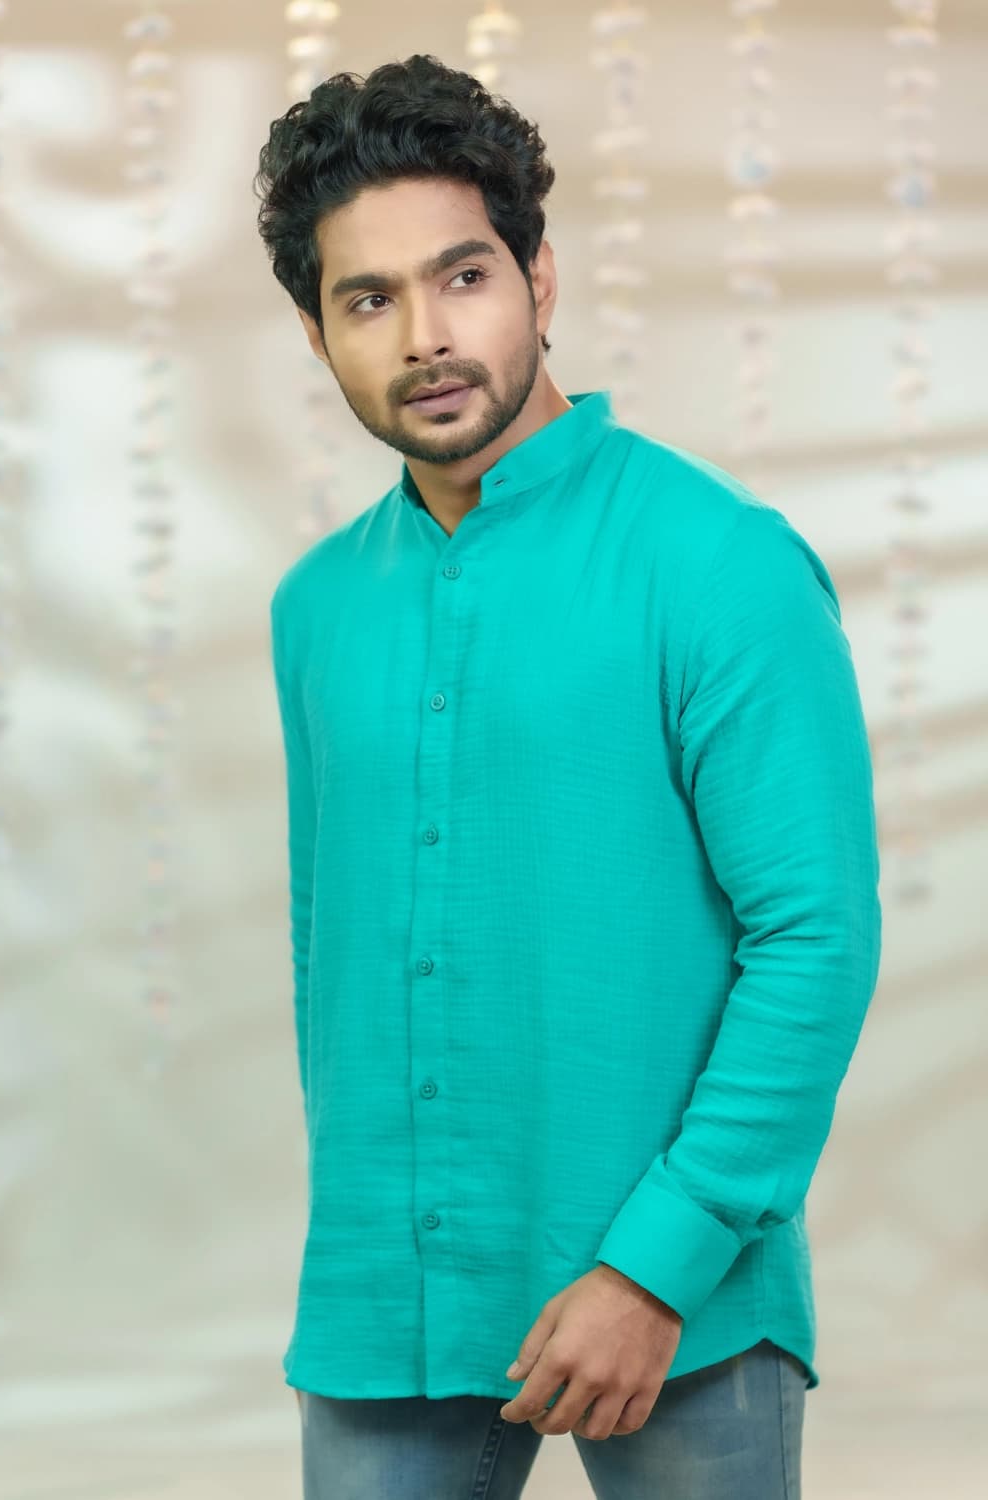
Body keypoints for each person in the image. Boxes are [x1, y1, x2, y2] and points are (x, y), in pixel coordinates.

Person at [254, 52, 882, 1500]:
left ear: (539, 277)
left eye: (463, 276)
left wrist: (657, 1265)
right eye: (369, 300)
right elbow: (329, 945)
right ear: (316, 332)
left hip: (684, 1302)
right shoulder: (317, 607)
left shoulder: (717, 561)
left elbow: (816, 936)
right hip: (391, 1300)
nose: (427, 336)